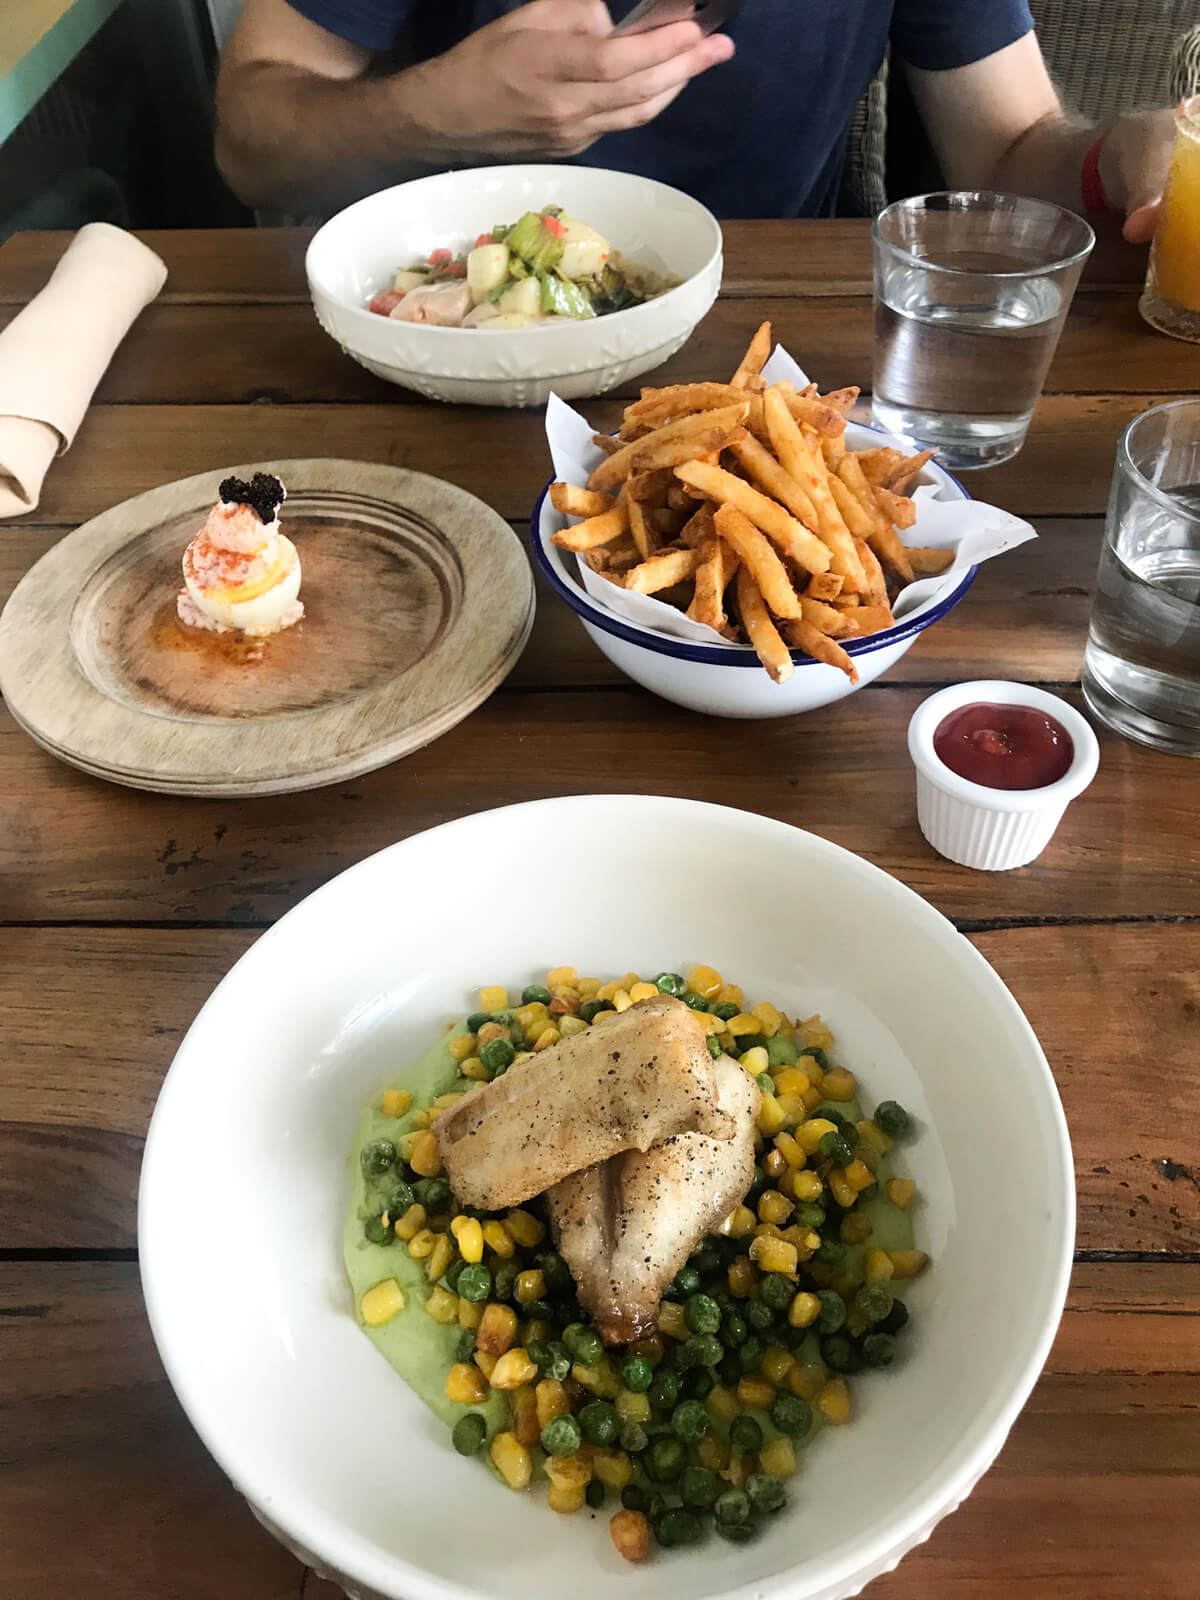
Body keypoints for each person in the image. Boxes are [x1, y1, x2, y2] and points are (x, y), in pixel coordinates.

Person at [215, 0, 1173, 238]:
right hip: (433, 335)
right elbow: (250, 142)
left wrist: (1123, 159)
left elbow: (1008, 150)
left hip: (768, 372)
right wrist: (435, 111)